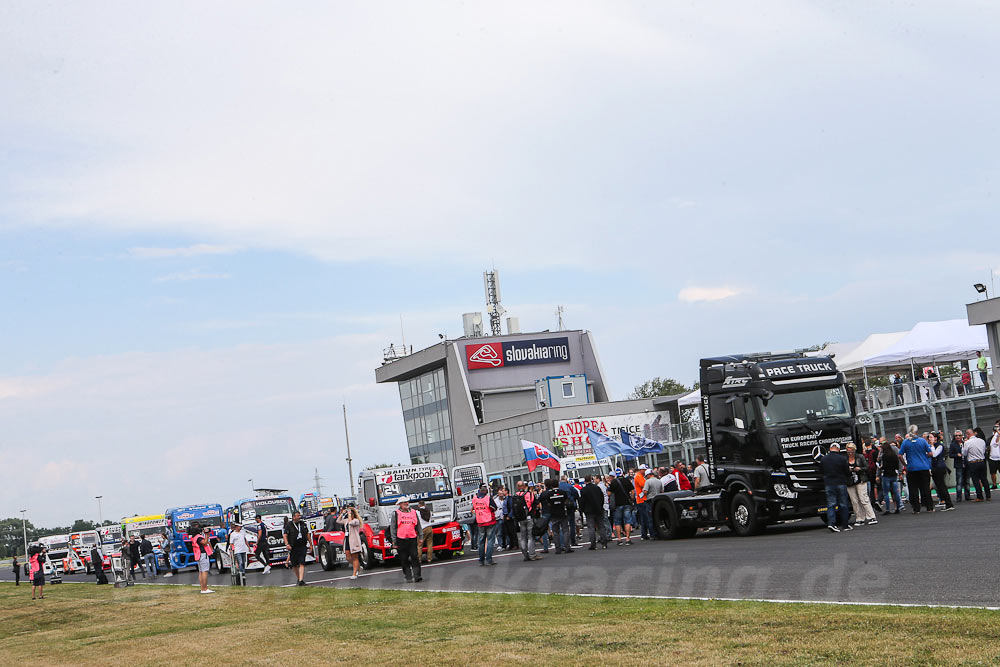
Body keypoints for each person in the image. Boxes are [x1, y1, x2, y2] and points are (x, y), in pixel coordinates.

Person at [898, 426, 934, 513]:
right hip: (923, 467)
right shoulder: (922, 441)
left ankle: (916, 509)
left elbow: (900, 455)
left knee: (913, 489)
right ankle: (929, 507)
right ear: (917, 432)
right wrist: (924, 457)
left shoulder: (906, 442)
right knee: (925, 488)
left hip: (911, 468)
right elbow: (930, 453)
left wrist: (905, 464)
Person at [390, 498, 423, 582]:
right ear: (400, 504)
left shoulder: (413, 512)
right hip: (401, 539)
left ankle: (417, 575)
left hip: (412, 538)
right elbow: (393, 528)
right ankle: (408, 576)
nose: (406, 503)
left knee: (415, 557)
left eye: (407, 502)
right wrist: (394, 541)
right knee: (404, 559)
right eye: (404, 502)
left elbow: (418, 525)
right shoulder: (396, 514)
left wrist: (421, 536)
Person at [821, 444, 852, 532]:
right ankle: (845, 525)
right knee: (843, 504)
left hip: (829, 483)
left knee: (831, 504)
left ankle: (831, 523)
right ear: (838, 449)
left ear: (830, 448)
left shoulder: (824, 459)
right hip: (840, 482)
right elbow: (847, 471)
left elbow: (821, 471)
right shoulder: (842, 458)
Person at [845, 443, 877, 526]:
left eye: (851, 450)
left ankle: (871, 516)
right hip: (850, 481)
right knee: (854, 500)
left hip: (861, 479)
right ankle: (859, 518)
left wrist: (860, 469)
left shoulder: (860, 457)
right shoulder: (845, 459)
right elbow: (842, 470)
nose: (850, 452)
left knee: (863, 498)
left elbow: (867, 467)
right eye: (848, 450)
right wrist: (848, 470)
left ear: (854, 450)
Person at [539, 478, 571, 554]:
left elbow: (548, 503)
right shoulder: (563, 492)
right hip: (562, 513)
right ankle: (567, 547)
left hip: (553, 514)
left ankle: (557, 549)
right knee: (565, 530)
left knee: (555, 532)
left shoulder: (548, 494)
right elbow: (566, 501)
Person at [470, 484, 499, 565]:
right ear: (485, 491)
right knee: (490, 540)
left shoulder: (475, 498)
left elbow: (473, 508)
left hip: (480, 521)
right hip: (489, 521)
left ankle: (481, 560)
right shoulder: (487, 498)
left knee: (481, 541)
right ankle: (489, 559)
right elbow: (494, 508)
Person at [510, 481, 538, 561]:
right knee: (530, 536)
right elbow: (535, 503)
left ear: (517, 487)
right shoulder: (529, 494)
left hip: (520, 519)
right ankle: (532, 554)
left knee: (522, 537)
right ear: (524, 486)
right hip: (529, 517)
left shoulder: (514, 496)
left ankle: (525, 555)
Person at [579, 475, 609, 549]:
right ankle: (604, 543)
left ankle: (593, 544)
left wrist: (582, 510)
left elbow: (582, 502)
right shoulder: (597, 488)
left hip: (589, 511)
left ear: (585, 481)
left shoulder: (583, 490)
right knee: (601, 527)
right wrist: (601, 506)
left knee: (591, 528)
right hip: (598, 509)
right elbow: (602, 497)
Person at [282, 511, 311, 586]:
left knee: (302, 562)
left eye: (299, 515)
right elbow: (285, 535)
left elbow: (307, 534)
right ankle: (299, 578)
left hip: (302, 546)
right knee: (294, 564)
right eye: (298, 516)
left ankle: (301, 580)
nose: (299, 517)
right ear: (293, 517)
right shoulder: (289, 525)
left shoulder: (303, 524)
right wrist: (287, 544)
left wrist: (310, 544)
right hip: (293, 547)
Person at [928, 433, 955, 510]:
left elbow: (934, 454)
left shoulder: (939, 446)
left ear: (936, 438)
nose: (929, 439)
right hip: (934, 468)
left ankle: (949, 503)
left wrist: (932, 445)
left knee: (942, 486)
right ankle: (946, 502)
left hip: (939, 468)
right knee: (939, 487)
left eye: (931, 437)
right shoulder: (931, 446)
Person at [963, 428, 990, 501]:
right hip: (982, 461)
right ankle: (988, 496)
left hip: (973, 462)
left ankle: (980, 496)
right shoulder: (981, 441)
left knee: (976, 480)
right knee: (984, 479)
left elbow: (964, 453)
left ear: (967, 434)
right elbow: (984, 450)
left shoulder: (967, 443)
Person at [608, 471, 634, 545]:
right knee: (627, 521)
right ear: (622, 474)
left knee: (617, 522)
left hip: (617, 504)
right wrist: (631, 499)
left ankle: (619, 539)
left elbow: (609, 493)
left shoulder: (613, 482)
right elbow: (632, 492)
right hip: (626, 503)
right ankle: (627, 538)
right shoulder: (627, 481)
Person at [340, 506, 363, 579]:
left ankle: (354, 573)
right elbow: (338, 521)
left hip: (354, 540)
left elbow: (351, 523)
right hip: (347, 539)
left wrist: (350, 515)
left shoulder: (356, 521)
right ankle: (358, 567)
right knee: (348, 557)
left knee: (355, 557)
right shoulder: (346, 520)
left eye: (350, 514)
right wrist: (342, 514)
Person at [190, 524, 214, 594]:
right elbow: (204, 543)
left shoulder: (193, 537)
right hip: (203, 554)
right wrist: (206, 535)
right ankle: (205, 588)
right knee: (204, 571)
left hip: (198, 555)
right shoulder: (198, 537)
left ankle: (202, 588)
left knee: (201, 571)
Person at [558, 476, 581, 547]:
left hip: (560, 506)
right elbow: (576, 494)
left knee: (562, 525)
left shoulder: (558, 486)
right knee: (572, 524)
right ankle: (573, 541)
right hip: (570, 505)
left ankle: (563, 542)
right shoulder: (569, 486)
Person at [950, 430, 970, 502]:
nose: (958, 437)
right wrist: (956, 455)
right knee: (959, 481)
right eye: (956, 436)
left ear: (962, 436)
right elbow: (950, 455)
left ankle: (967, 496)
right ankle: (959, 497)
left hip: (966, 464)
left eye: (959, 435)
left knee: (967, 481)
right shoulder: (953, 444)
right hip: (958, 465)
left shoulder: (966, 443)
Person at [634, 465, 652, 540]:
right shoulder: (639, 476)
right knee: (646, 518)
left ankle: (644, 535)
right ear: (641, 470)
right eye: (644, 470)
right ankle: (649, 533)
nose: (645, 471)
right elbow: (643, 485)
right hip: (642, 500)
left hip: (642, 499)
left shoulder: (640, 476)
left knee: (644, 518)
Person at [988, 421, 1000, 489]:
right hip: (992, 457)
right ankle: (994, 484)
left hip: (999, 457)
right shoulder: (991, 437)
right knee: (993, 472)